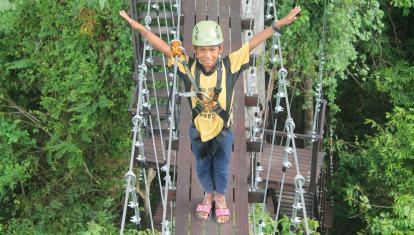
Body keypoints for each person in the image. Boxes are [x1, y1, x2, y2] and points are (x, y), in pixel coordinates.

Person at [119, 6, 301, 224]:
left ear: (221, 48)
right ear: (194, 50)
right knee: (203, 167)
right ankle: (208, 194)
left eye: (213, 50)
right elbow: (166, 49)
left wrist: (277, 25)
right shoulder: (188, 67)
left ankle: (221, 198)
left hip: (223, 132)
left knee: (222, 168)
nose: (208, 55)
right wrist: (140, 28)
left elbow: (253, 43)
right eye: (202, 50)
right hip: (198, 132)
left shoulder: (230, 64)